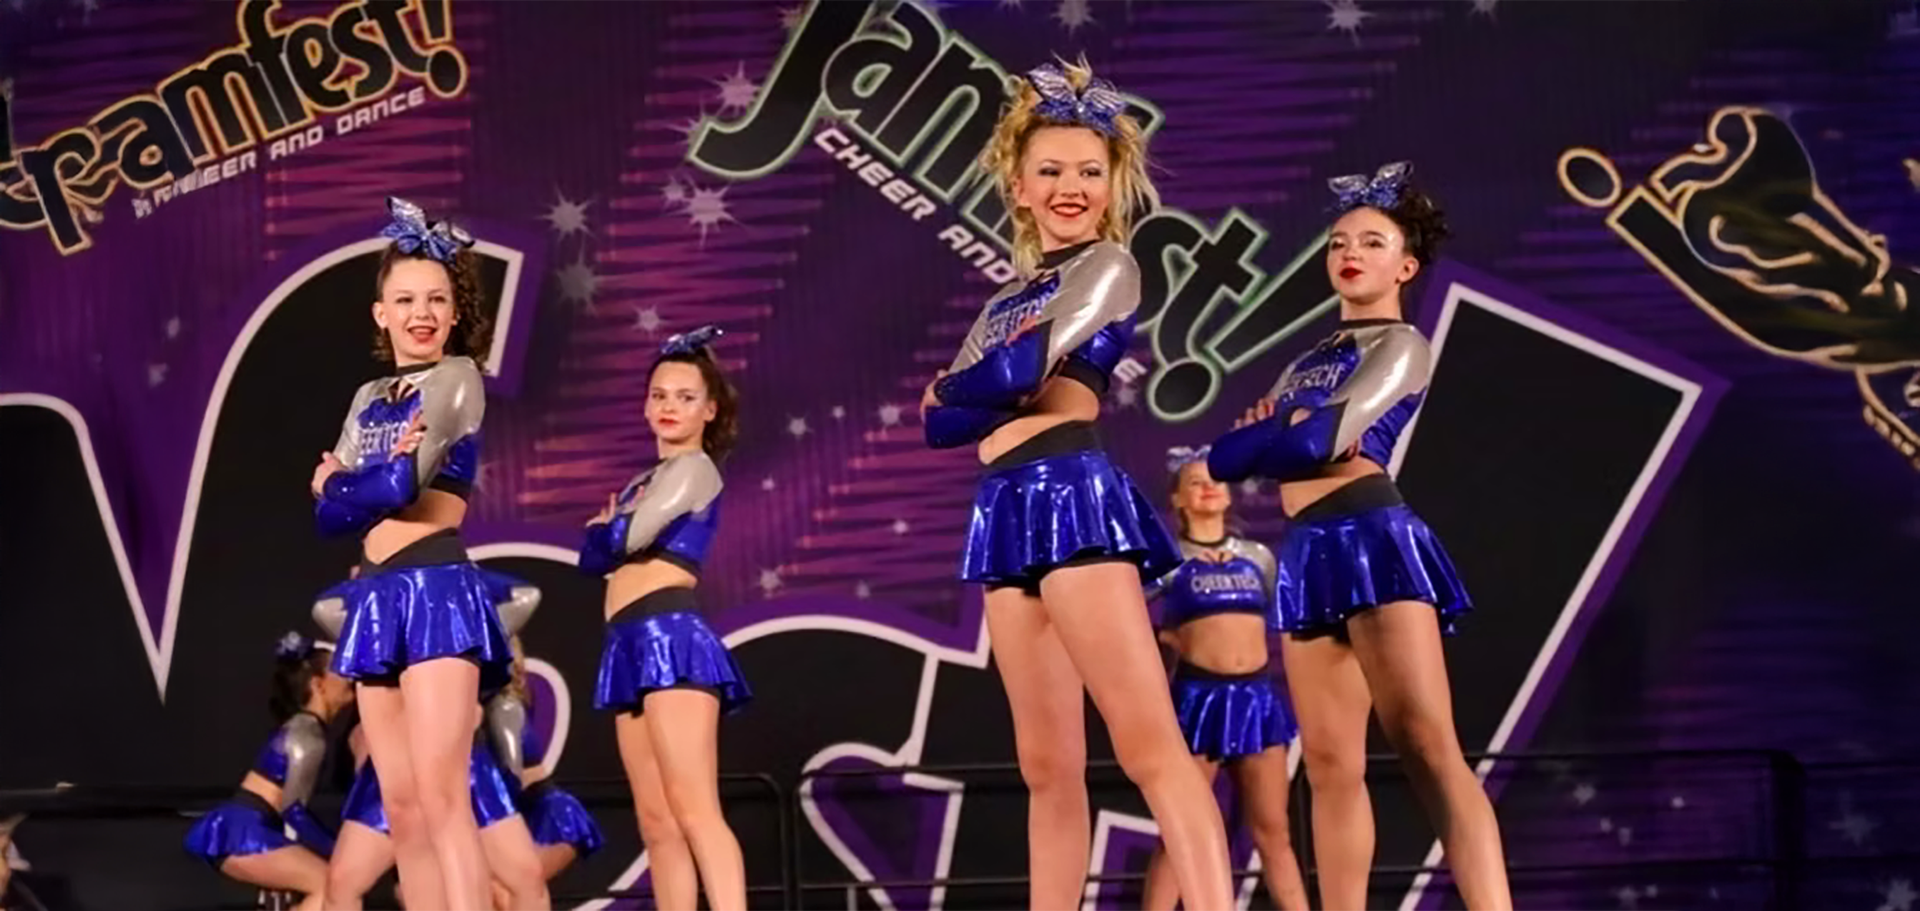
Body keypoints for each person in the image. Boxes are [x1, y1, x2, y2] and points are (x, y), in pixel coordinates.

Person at [919, 59, 1233, 910]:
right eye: (1051, 171)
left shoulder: (1108, 267)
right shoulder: (1006, 299)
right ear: (1019, 189)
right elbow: (938, 424)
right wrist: (967, 392)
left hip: (1071, 495)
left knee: (1149, 747)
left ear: (1112, 185)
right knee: (1046, 766)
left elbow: (1012, 376)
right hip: (1005, 507)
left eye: (1089, 172)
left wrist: (961, 387)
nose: (1071, 187)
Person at [1205, 162, 1512, 910]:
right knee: (1330, 764)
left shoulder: (1401, 346)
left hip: (1374, 537)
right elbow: (1224, 458)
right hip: (1309, 550)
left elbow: (1312, 444)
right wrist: (1290, 429)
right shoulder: (1308, 360)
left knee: (1428, 746)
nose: (1350, 253)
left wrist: (1284, 430)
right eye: (1340, 241)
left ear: (1405, 266)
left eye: (1372, 242)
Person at [311, 197, 510, 910]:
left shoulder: (456, 378)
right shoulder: (370, 394)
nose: (420, 313)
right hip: (377, 595)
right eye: (405, 300)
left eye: (435, 300)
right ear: (381, 314)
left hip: (435, 588)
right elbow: (326, 520)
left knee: (442, 794)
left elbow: (400, 485)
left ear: (454, 314)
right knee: (402, 807)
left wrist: (340, 481)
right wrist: (348, 488)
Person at [579, 325, 749, 911]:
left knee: (695, 810)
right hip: (627, 641)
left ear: (709, 409)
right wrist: (605, 539)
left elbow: (621, 540)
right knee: (656, 822)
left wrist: (607, 534)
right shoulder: (643, 481)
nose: (668, 406)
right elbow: (591, 558)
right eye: (658, 395)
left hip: (670, 637)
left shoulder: (694, 468)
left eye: (684, 396)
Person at [314, 570, 548, 909]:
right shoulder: (375, 621)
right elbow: (325, 608)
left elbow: (525, 595)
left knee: (527, 878)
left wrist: (459, 573)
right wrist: (367, 582)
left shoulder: (457, 620)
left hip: (463, 768)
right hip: (395, 767)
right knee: (342, 883)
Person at [1139, 448, 1309, 911]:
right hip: (1198, 701)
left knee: (1274, 831)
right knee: (1180, 833)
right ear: (1177, 500)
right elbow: (1125, 613)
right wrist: (1162, 638)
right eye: (1195, 482)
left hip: (1258, 699)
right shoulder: (1169, 561)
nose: (1208, 488)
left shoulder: (1258, 558)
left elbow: (1287, 619)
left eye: (1215, 480)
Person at [182, 633, 356, 911]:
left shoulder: (307, 729)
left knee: (335, 887)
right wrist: (341, 851)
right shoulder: (308, 736)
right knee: (336, 887)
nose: (349, 676)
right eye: (339, 669)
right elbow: (293, 811)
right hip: (243, 831)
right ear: (318, 684)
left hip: (252, 828)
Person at [486, 642, 604, 883]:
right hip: (504, 814)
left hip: (544, 813)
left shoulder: (508, 704)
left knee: (514, 891)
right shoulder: (479, 705)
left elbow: (512, 772)